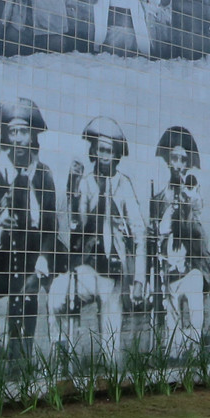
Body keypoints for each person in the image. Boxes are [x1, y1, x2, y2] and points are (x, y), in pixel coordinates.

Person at [0, 99, 59, 366]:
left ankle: (20, 358)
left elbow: (51, 226)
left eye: (23, 132)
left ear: (33, 136)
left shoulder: (43, 175)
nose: (18, 139)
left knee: (29, 286)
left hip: (30, 259)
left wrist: (42, 258)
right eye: (12, 132)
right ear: (5, 136)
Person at [54, 118, 141, 354]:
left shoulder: (124, 185)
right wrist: (72, 189)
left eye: (109, 151)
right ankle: (65, 354)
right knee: (58, 294)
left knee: (111, 347)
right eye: (100, 150)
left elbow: (139, 233)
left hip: (113, 274)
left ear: (116, 155)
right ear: (93, 151)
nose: (104, 156)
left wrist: (139, 279)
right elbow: (75, 223)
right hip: (89, 269)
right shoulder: (85, 183)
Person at [149, 125, 209, 354]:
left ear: (187, 163)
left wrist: (188, 202)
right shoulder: (159, 198)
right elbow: (156, 234)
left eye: (182, 159)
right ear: (168, 161)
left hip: (191, 269)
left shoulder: (194, 195)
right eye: (173, 158)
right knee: (172, 334)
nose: (178, 163)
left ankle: (194, 360)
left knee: (195, 321)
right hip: (169, 272)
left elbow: (197, 230)